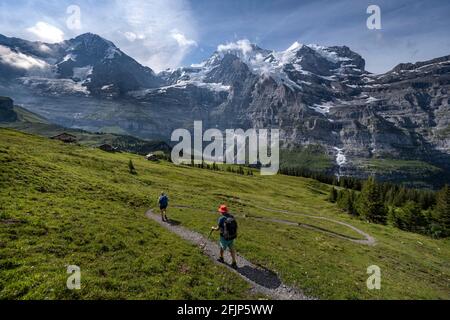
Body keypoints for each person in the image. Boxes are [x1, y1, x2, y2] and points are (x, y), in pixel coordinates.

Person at [211, 204, 238, 269]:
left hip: (224, 236)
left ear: (221, 211)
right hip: (232, 236)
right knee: (232, 248)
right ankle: (234, 262)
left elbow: (218, 229)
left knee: (222, 247)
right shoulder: (231, 216)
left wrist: (213, 228)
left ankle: (221, 258)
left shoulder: (221, 218)